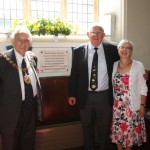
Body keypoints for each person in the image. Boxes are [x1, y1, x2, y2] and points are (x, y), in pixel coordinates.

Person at [68, 24, 119, 150]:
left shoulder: (112, 50)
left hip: (104, 96)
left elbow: (124, 63)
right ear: (88, 34)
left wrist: (141, 72)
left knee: (104, 127)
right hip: (85, 95)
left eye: (99, 33)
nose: (96, 35)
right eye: (93, 32)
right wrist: (71, 94)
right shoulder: (78, 50)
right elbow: (74, 74)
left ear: (103, 35)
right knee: (87, 126)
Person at [0, 25, 43, 150]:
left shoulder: (32, 58)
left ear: (30, 42)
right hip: (10, 114)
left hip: (30, 111)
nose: (23, 43)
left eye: (26, 40)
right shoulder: (2, 60)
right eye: (19, 39)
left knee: (28, 145)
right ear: (12, 40)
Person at [110, 39, 148, 150]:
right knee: (118, 133)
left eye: (128, 48)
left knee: (129, 135)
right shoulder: (113, 65)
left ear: (131, 51)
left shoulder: (138, 65)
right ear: (118, 50)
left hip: (132, 107)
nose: (124, 50)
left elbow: (143, 88)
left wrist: (142, 105)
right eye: (122, 47)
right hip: (117, 107)